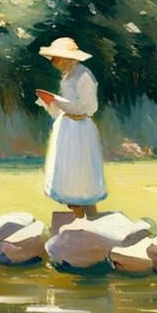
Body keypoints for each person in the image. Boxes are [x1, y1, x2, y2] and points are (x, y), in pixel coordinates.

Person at [35, 37, 106, 219]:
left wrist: (59, 102)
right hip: (67, 129)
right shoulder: (67, 76)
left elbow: (88, 107)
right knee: (68, 172)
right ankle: (79, 216)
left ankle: (88, 217)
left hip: (79, 130)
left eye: (56, 58)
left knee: (81, 172)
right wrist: (50, 103)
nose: (53, 62)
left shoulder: (84, 76)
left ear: (68, 58)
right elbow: (64, 107)